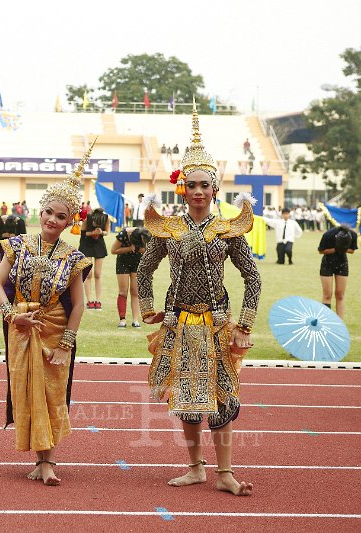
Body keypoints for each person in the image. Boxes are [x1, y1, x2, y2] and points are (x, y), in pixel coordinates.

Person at [138, 105, 260, 496]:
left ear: (214, 190)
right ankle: (196, 468)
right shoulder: (167, 228)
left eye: (205, 186)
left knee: (223, 399)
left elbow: (252, 275)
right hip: (178, 321)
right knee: (188, 400)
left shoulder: (228, 228)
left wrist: (244, 323)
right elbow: (144, 270)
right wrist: (147, 307)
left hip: (217, 322)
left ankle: (225, 472)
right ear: (182, 188)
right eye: (191, 185)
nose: (198, 192)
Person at [0, 143, 93, 486]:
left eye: (61, 216)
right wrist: (11, 316)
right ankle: (39, 460)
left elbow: (78, 304)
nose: (52, 220)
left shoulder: (73, 256)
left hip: (55, 331)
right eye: (49, 212)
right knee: (26, 390)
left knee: (51, 392)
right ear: (40, 210)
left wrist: (66, 343)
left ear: (70, 221)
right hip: (20, 327)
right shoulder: (16, 245)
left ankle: (48, 462)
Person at [112, 226, 150, 327]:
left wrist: (143, 250)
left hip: (137, 261)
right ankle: (122, 319)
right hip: (123, 261)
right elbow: (113, 250)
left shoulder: (145, 234)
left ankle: (135, 320)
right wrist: (130, 248)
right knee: (123, 291)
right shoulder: (123, 234)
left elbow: (148, 251)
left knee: (135, 291)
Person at [319, 224, 358, 319]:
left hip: (342, 263)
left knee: (340, 294)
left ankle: (339, 322)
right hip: (327, 263)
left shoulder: (353, 235)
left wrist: (343, 249)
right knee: (327, 294)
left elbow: (352, 250)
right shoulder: (328, 235)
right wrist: (336, 249)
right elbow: (321, 251)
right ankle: (325, 321)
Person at [78, 207, 109, 310]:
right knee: (89, 274)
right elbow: (83, 234)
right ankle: (89, 300)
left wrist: (101, 232)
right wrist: (93, 233)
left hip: (99, 244)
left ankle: (98, 300)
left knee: (97, 274)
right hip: (86, 244)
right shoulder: (88, 218)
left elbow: (107, 232)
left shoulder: (105, 218)